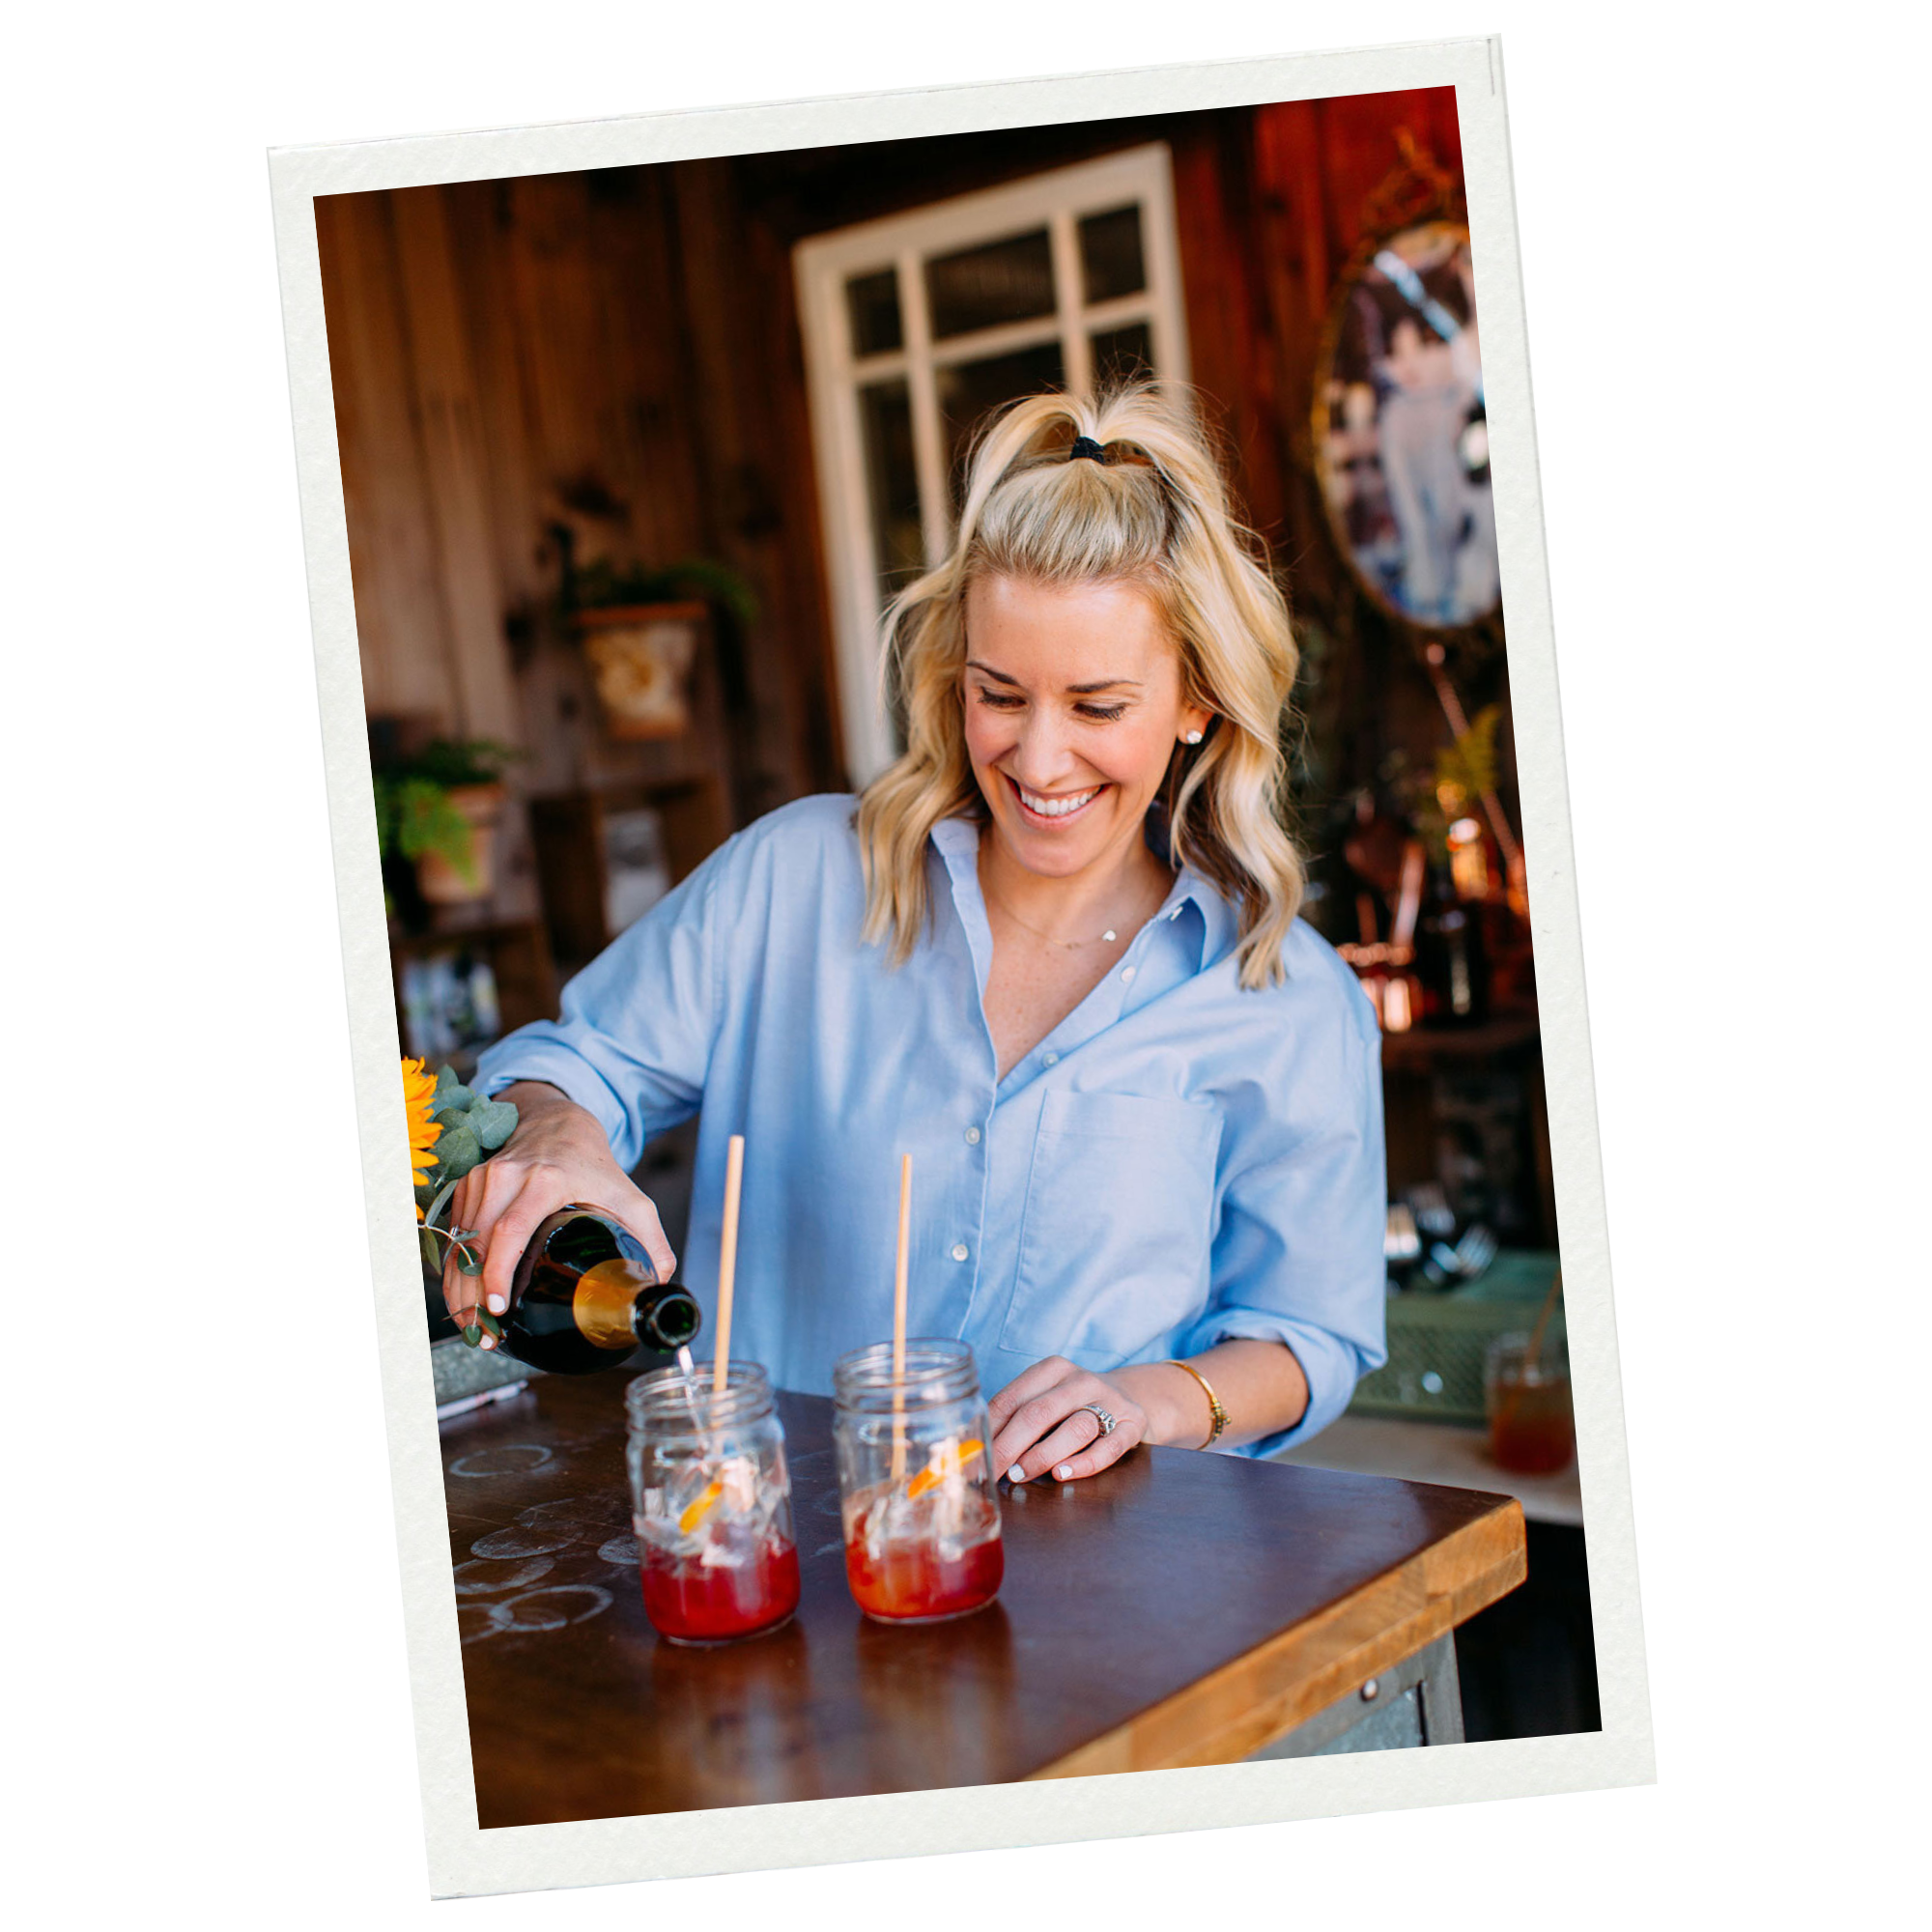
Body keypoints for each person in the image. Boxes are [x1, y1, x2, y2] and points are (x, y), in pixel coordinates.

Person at [450, 382, 1386, 1485]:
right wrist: (555, 1131)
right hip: (755, 1542)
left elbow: (1307, 1335)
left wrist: (1148, 1400)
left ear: (1196, 704)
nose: (1038, 761)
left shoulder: (1285, 998)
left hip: (1093, 1594)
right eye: (1001, 695)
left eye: (1095, 707)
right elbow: (569, 1063)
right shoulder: (794, 877)